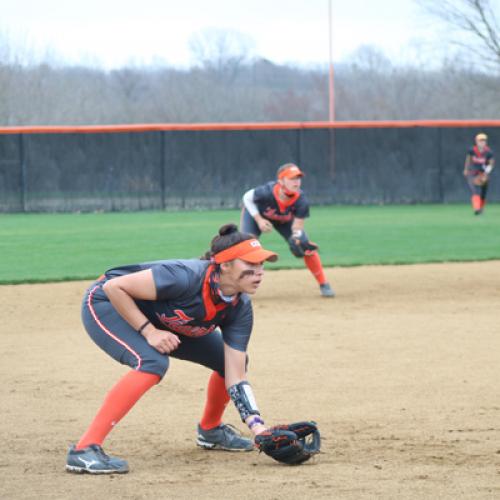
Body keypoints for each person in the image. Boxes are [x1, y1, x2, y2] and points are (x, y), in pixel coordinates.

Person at [66, 224, 279, 474]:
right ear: (225, 265)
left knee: (230, 361)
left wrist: (258, 428)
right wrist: (149, 331)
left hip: (163, 318)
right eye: (250, 265)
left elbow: (236, 373)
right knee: (153, 362)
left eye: (262, 265)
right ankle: (84, 449)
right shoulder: (184, 276)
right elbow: (114, 288)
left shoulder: (239, 308)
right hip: (107, 303)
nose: (259, 272)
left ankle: (211, 431)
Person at [240, 163, 335, 297]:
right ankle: (240, 289)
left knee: (305, 246)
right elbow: (247, 197)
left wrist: (297, 238)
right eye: (292, 178)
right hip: (257, 215)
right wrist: (259, 220)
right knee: (246, 247)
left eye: (298, 178)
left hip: (284, 220)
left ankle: (323, 283)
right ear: (281, 181)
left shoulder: (301, 201)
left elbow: (297, 227)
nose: (296, 182)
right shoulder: (267, 191)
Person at [464, 133, 495, 215]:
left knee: (483, 193)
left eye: (484, 140)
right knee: (474, 191)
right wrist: (466, 169)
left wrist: (486, 173)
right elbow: (468, 160)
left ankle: (481, 208)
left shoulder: (488, 152)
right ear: (476, 141)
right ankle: (477, 208)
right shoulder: (472, 150)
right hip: (472, 173)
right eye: (480, 140)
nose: (482, 142)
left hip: (483, 173)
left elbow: (491, 164)